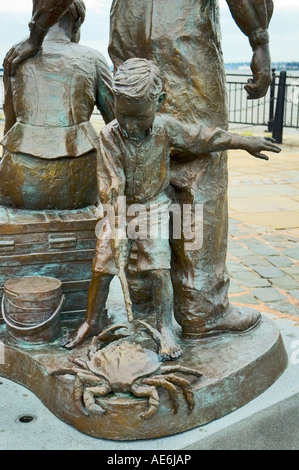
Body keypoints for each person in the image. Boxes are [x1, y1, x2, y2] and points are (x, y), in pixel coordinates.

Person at [3, 0, 275, 338]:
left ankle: (146, 297)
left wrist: (37, 34)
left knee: (141, 148)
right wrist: (258, 39)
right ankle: (200, 307)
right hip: (183, 27)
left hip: (128, 28)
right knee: (195, 167)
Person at [63, 58, 280, 358]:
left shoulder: (166, 128)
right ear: (114, 103)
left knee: (159, 268)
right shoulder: (109, 136)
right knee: (102, 266)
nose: (131, 125)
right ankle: (91, 322)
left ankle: (165, 327)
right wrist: (119, 231)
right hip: (118, 210)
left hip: (153, 208)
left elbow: (203, 137)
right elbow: (112, 183)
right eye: (123, 115)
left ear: (159, 102)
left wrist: (243, 142)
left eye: (140, 117)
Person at [1, 0, 114, 210]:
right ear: (78, 22)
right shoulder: (93, 59)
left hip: (18, 178)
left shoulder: (16, 55)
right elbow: (115, 123)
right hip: (79, 179)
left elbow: (9, 120)